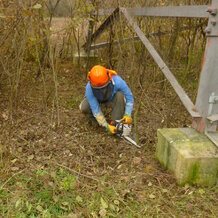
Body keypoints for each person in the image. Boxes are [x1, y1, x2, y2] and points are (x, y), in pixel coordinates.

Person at [79, 65, 134, 135]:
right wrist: (106, 126)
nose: (101, 90)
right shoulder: (89, 88)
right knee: (84, 107)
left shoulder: (117, 80)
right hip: (97, 101)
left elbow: (129, 98)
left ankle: (115, 123)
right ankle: (95, 121)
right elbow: (96, 110)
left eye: (103, 87)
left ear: (109, 78)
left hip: (111, 99)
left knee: (120, 95)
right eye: (98, 89)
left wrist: (128, 114)